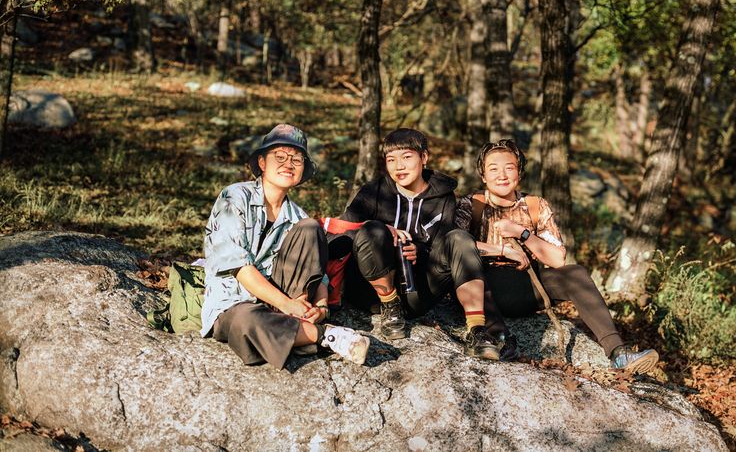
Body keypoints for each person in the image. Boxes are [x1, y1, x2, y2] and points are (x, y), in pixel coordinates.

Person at [454, 139, 659, 373]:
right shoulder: (471, 205)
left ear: (519, 173)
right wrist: (502, 250)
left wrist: (522, 233)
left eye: (509, 168)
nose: (502, 175)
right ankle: (499, 339)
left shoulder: (535, 205)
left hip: (527, 285)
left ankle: (618, 353)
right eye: (493, 169)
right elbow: (454, 247)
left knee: (575, 273)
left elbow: (557, 259)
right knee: (475, 275)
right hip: (484, 288)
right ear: (483, 176)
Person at [200, 123, 370, 367]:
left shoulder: (299, 217)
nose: (288, 164)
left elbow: (317, 274)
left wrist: (321, 307)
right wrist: (288, 305)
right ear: (262, 162)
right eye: (279, 156)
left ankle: (290, 329)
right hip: (235, 304)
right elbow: (239, 266)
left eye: (297, 159)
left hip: (283, 303)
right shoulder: (234, 197)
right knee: (245, 322)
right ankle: (322, 336)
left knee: (312, 227)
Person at [341, 128, 502, 361]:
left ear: (424, 158)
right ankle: (390, 306)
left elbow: (444, 248)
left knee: (460, 238)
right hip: (371, 293)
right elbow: (342, 231)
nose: (399, 167)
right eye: (391, 160)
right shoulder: (373, 192)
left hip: (420, 291)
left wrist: (421, 251)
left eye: (406, 157)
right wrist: (382, 231)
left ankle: (476, 329)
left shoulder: (443, 196)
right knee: (372, 230)